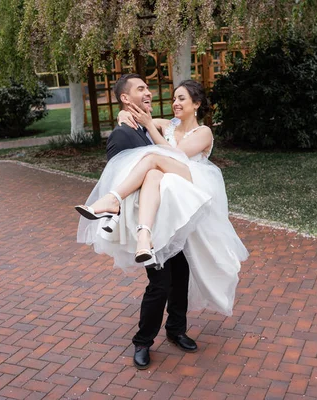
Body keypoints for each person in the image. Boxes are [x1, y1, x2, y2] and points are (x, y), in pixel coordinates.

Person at [76, 74, 248, 369]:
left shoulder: (204, 132)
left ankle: (176, 329)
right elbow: (138, 118)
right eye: (175, 98)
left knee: (181, 274)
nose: (175, 103)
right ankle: (144, 341)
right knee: (166, 280)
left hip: (194, 192)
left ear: (196, 104)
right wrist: (123, 111)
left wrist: (149, 127)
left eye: (182, 98)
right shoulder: (167, 125)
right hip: (166, 212)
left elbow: (175, 155)